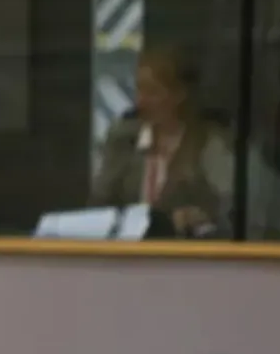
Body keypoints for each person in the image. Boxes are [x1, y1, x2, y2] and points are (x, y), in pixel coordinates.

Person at [89, 47, 233, 238]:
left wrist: (198, 216)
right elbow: (100, 201)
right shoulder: (124, 139)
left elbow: (229, 207)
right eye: (139, 90)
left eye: (152, 92)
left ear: (179, 94)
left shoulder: (209, 143)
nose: (141, 101)